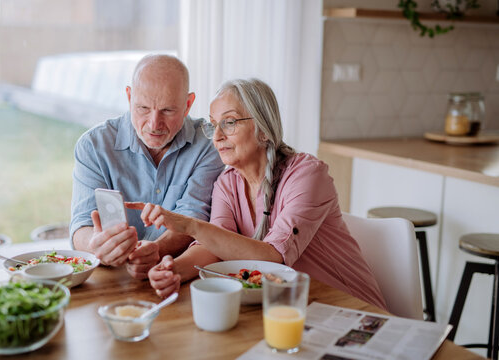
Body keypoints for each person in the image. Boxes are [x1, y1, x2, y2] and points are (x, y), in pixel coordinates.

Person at [127, 78, 387, 309]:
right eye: (213, 125)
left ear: (263, 129)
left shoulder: (307, 174)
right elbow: (214, 248)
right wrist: (174, 269)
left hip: (352, 311)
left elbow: (274, 258)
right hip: (293, 310)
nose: (216, 136)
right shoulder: (227, 184)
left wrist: (189, 225)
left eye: (229, 123)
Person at [70, 54, 225, 279]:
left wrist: (156, 251)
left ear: (188, 104)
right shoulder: (93, 146)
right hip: (108, 280)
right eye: (143, 108)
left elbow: (194, 218)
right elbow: (82, 225)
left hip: (176, 274)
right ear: (129, 96)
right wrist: (95, 245)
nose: (154, 124)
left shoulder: (209, 144)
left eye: (168, 110)